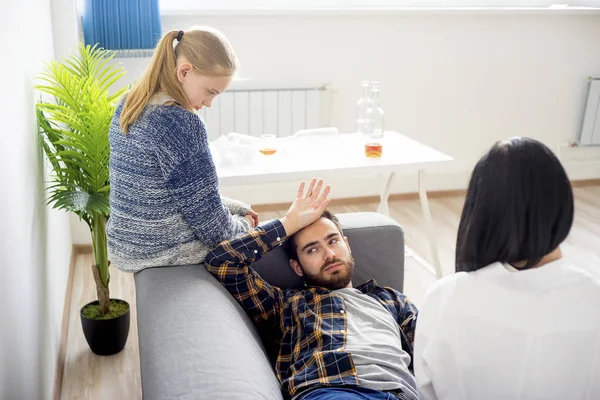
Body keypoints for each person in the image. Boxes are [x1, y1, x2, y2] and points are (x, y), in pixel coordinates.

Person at [414, 137, 600, 400]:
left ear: (479, 212)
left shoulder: (446, 298)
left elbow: (425, 390)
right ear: (562, 203)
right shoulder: (593, 300)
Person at [206, 178, 419, 400]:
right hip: (333, 390)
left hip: (401, 394)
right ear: (297, 267)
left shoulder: (390, 299)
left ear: (347, 244)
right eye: (312, 250)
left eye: (333, 241)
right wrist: (288, 223)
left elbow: (431, 348)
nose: (329, 254)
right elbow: (222, 262)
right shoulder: (288, 304)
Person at [108, 27, 258, 272]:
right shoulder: (179, 122)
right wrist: (244, 226)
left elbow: (178, 193)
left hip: (127, 244)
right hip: (162, 249)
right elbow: (216, 231)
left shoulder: (129, 104)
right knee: (262, 239)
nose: (209, 103)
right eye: (210, 92)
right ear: (184, 71)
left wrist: (235, 207)